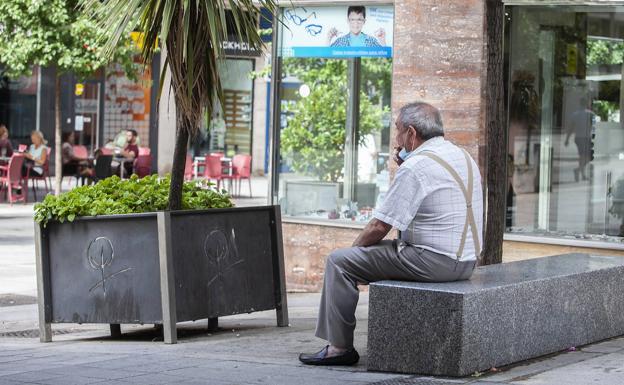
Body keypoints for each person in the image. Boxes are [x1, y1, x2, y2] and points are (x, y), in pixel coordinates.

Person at [298, 102, 483, 366]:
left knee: (339, 263)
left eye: (396, 130)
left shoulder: (416, 167)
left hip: (434, 262)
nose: (395, 138)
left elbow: (379, 226)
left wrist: (355, 251)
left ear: (411, 133)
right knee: (358, 256)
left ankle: (339, 349)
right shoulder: (462, 156)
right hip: (465, 262)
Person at [565, 97, 596, 182]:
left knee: (583, 157)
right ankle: (580, 172)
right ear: (587, 104)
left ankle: (580, 172)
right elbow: (594, 128)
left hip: (578, 138)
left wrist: (567, 139)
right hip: (586, 138)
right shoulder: (591, 114)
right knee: (586, 157)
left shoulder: (575, 114)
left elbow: (571, 128)